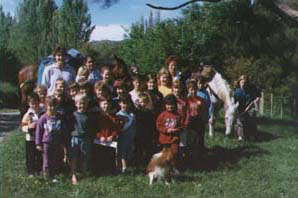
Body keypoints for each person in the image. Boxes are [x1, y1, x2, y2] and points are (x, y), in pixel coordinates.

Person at [35, 96, 66, 182]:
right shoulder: (43, 118)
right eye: (50, 105)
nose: (52, 107)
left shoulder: (60, 117)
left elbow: (63, 130)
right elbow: (38, 131)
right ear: (46, 106)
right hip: (47, 143)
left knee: (57, 158)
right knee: (47, 160)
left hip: (58, 142)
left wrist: (63, 141)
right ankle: (46, 176)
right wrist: (38, 143)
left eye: (54, 105)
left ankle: (55, 175)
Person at [69, 94, 97, 184]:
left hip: (85, 139)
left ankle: (84, 173)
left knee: (85, 157)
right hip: (75, 138)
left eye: (84, 103)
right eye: (80, 103)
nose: (82, 105)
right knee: (74, 158)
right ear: (76, 104)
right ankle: (73, 174)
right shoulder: (73, 115)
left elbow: (91, 129)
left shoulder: (89, 116)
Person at [21, 93, 44, 177]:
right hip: (30, 138)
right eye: (32, 104)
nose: (34, 105)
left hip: (41, 138)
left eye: (36, 103)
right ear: (29, 104)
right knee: (30, 155)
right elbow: (22, 126)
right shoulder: (28, 114)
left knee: (40, 155)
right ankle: (30, 171)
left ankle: (39, 170)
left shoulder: (43, 112)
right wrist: (29, 127)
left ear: (39, 102)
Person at [156, 94, 183, 164]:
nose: (170, 106)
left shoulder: (178, 115)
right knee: (164, 155)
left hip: (174, 139)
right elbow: (158, 125)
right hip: (164, 139)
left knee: (174, 153)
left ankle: (172, 168)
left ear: (175, 105)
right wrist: (166, 130)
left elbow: (181, 126)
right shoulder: (162, 115)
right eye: (168, 105)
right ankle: (163, 168)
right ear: (165, 105)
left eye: (172, 105)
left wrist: (176, 129)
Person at [234, 75, 261, 141]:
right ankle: (240, 136)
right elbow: (235, 102)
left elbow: (258, 96)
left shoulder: (251, 89)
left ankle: (253, 135)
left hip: (250, 107)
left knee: (251, 116)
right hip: (241, 108)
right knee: (240, 119)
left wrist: (250, 106)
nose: (243, 84)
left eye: (244, 83)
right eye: (242, 82)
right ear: (239, 82)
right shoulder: (237, 91)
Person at [185, 80, 207, 161]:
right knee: (190, 140)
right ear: (188, 90)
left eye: (194, 89)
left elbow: (204, 111)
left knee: (199, 140)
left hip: (199, 121)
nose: (193, 91)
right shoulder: (186, 100)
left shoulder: (201, 100)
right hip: (190, 122)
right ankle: (189, 158)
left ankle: (199, 158)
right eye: (191, 90)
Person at [116, 93, 136, 174]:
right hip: (122, 137)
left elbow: (134, 127)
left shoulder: (132, 115)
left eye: (127, 103)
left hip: (130, 137)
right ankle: (124, 168)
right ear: (120, 103)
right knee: (122, 152)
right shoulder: (118, 115)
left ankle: (126, 167)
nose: (125, 105)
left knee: (129, 153)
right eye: (123, 103)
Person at [134, 93, 155, 167]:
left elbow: (152, 124)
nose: (142, 104)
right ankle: (138, 165)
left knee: (147, 150)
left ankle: (147, 164)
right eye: (140, 102)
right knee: (138, 150)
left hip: (147, 134)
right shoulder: (136, 112)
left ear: (147, 103)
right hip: (138, 133)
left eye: (143, 102)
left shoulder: (149, 112)